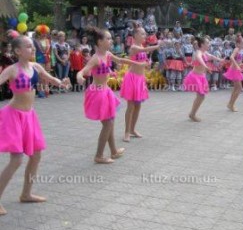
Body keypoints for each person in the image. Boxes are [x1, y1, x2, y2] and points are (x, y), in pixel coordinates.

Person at [0, 36, 70, 216]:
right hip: (14, 117)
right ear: (17, 51)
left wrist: (63, 82)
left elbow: (53, 80)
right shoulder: (12, 70)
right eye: (29, 47)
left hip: (30, 116)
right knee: (16, 160)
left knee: (36, 155)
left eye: (32, 47)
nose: (32, 49)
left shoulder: (36, 67)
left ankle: (26, 193)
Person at [77, 27, 135, 164]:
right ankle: (99, 155)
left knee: (110, 122)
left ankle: (114, 151)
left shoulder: (107, 54)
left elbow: (120, 60)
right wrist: (79, 76)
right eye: (108, 38)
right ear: (99, 42)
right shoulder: (95, 58)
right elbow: (83, 71)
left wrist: (137, 63)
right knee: (108, 124)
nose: (111, 40)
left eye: (110, 38)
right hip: (97, 93)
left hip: (106, 91)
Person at [120, 26, 160, 141]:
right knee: (131, 106)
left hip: (140, 79)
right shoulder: (133, 47)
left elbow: (142, 58)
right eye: (142, 34)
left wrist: (147, 63)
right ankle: (126, 132)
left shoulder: (142, 46)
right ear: (135, 35)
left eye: (144, 34)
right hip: (132, 78)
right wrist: (156, 46)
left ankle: (132, 129)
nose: (145, 36)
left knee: (138, 106)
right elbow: (142, 51)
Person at [183, 36, 223, 122]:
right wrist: (206, 67)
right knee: (201, 96)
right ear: (202, 44)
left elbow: (211, 56)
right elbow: (199, 59)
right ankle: (192, 114)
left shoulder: (205, 52)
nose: (209, 44)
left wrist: (220, 59)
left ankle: (192, 114)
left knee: (200, 96)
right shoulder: (198, 52)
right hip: (195, 77)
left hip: (201, 76)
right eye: (207, 43)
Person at [224, 38, 243, 112]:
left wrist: (240, 64)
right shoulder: (236, 49)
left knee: (236, 88)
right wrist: (237, 66)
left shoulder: (240, 50)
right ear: (238, 44)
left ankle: (230, 104)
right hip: (234, 70)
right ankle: (231, 104)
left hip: (236, 70)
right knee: (239, 88)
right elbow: (231, 57)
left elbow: (237, 60)